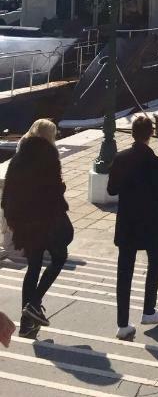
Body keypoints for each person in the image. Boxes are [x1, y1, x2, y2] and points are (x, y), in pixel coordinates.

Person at [1, 125, 73, 339]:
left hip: (25, 225)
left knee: (33, 267)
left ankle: (26, 325)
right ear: (48, 137)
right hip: (45, 222)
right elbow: (53, 194)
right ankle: (33, 304)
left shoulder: (18, 160)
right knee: (60, 258)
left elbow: (9, 194)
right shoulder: (48, 158)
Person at [107, 115, 158, 341]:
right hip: (151, 222)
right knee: (155, 262)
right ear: (150, 134)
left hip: (127, 223)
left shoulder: (120, 158)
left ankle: (122, 324)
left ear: (132, 133)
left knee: (124, 272)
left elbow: (112, 190)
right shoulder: (156, 163)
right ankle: (149, 310)